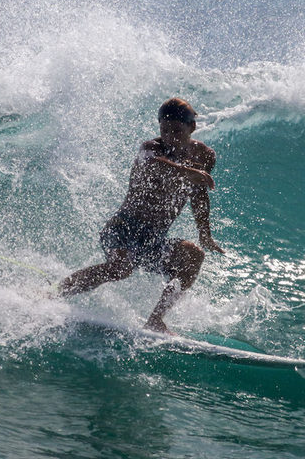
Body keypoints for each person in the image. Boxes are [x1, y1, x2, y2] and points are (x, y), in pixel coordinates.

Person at [57, 98, 224, 333]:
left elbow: (198, 194)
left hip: (153, 239)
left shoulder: (204, 155)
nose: (170, 137)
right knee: (120, 268)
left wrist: (204, 233)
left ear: (192, 128)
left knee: (194, 256)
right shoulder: (151, 149)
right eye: (164, 130)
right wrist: (187, 172)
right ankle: (54, 293)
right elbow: (155, 165)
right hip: (123, 228)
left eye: (177, 131)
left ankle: (156, 320)